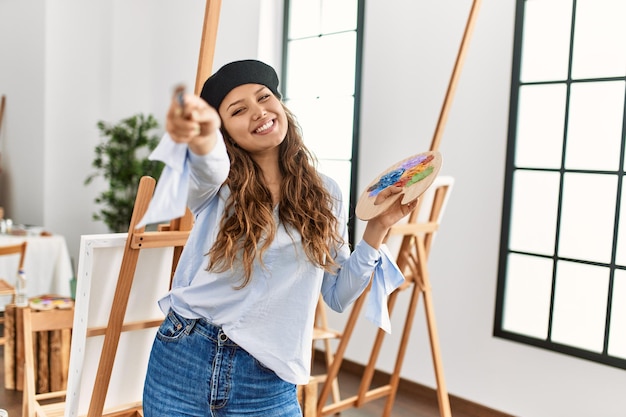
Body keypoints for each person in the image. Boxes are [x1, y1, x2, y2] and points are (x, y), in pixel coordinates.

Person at [141, 59, 417, 417]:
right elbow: (208, 161)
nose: (258, 112)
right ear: (224, 130)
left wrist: (377, 230)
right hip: (185, 358)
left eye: (264, 97)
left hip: (268, 378)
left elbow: (337, 295)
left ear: (280, 104)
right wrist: (204, 134)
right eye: (238, 110)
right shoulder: (216, 184)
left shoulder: (325, 193)